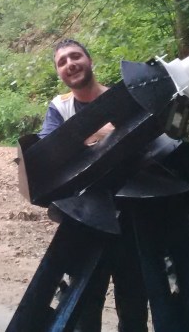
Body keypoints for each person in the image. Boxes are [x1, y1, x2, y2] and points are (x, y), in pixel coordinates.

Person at [38, 39, 148, 332]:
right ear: (59, 73)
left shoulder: (121, 98)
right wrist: (104, 135)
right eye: (62, 62)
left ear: (90, 61)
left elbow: (144, 145)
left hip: (131, 214)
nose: (70, 64)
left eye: (75, 56)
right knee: (84, 305)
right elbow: (47, 155)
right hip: (83, 217)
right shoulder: (60, 107)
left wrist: (78, 142)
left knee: (134, 303)